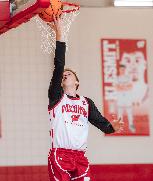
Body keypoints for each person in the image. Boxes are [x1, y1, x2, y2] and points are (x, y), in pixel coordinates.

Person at [47, 15, 124, 181]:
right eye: (63, 75)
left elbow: (101, 123)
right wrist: (60, 35)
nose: (65, 75)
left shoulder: (86, 103)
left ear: (77, 82)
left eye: (69, 74)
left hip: (80, 157)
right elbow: (59, 64)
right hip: (60, 156)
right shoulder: (56, 97)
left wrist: (112, 128)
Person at [115, 64, 135, 133]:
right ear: (119, 70)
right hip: (120, 98)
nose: (122, 71)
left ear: (125, 69)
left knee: (129, 112)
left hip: (128, 98)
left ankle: (131, 125)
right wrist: (125, 87)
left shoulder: (128, 78)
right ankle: (120, 127)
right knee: (120, 113)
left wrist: (122, 87)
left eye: (123, 69)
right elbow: (117, 88)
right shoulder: (117, 78)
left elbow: (131, 87)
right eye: (121, 69)